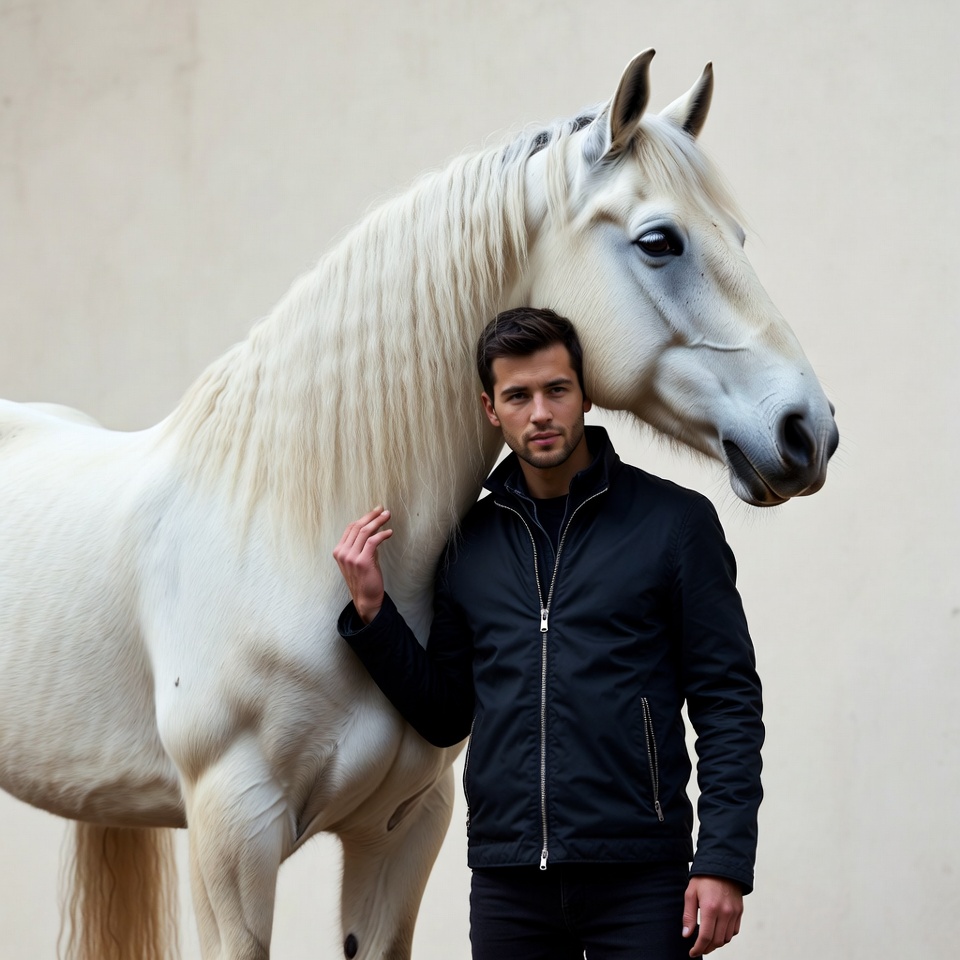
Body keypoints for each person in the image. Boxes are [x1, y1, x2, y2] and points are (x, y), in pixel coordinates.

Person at [334, 307, 764, 959]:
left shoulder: (675, 525)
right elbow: (446, 714)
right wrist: (372, 613)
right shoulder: (469, 545)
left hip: (641, 877)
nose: (540, 412)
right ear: (491, 408)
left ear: (585, 395)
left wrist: (723, 860)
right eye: (518, 395)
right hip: (510, 885)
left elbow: (728, 703)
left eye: (556, 390)